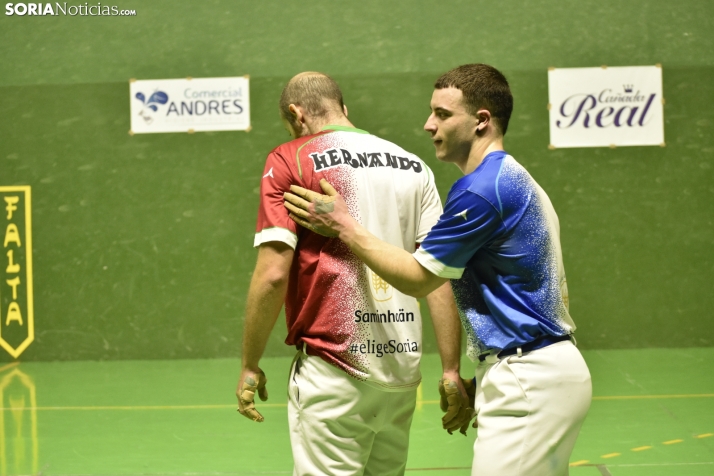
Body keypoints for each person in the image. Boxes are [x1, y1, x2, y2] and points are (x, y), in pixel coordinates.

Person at [284, 64, 593, 476]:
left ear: (482, 120)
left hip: (528, 376)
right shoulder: (516, 178)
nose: (429, 125)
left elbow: (420, 278)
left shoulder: (482, 191)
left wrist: (345, 226)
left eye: (443, 114)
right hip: (535, 372)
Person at [236, 71, 469, 476]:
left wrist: (250, 362)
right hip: (401, 374)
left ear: (296, 114)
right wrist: (451, 370)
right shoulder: (414, 167)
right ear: (344, 109)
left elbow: (274, 274)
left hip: (334, 368)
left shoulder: (289, 157)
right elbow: (437, 276)